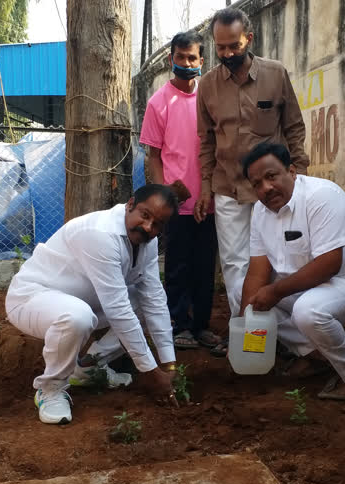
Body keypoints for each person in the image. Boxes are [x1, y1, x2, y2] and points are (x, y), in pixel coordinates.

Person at [5, 185, 182, 425]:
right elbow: (117, 309)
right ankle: (51, 389)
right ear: (130, 204)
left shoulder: (147, 241)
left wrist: (169, 363)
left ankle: (87, 368)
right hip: (32, 298)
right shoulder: (99, 234)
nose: (149, 227)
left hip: (82, 301)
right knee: (78, 316)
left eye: (158, 224)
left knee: (140, 299)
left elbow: (154, 298)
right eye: (145, 215)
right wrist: (150, 371)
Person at [234, 142, 345, 400]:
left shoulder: (322, 196)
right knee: (243, 294)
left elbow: (329, 263)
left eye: (271, 177)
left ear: (291, 171)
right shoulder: (260, 211)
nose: (265, 188)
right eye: (256, 184)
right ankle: (314, 356)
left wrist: (276, 291)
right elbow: (258, 272)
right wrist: (243, 336)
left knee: (308, 311)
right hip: (305, 287)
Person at [195, 7, 309, 346]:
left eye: (234, 46)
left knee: (279, 263)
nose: (227, 54)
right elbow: (206, 141)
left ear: (250, 38)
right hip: (228, 187)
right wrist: (205, 187)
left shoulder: (276, 75)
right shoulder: (208, 86)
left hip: (272, 190)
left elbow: (294, 128)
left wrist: (299, 176)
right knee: (234, 266)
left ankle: (286, 340)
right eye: (221, 47)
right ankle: (251, 337)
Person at [140, 31, 221, 351]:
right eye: (180, 57)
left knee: (205, 266)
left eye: (192, 58)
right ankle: (179, 326)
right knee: (177, 266)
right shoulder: (158, 102)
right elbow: (154, 155)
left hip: (209, 201)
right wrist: (164, 197)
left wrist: (211, 191)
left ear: (202, 61)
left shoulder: (210, 99)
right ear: (170, 59)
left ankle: (201, 326)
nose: (186, 63)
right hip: (177, 205)